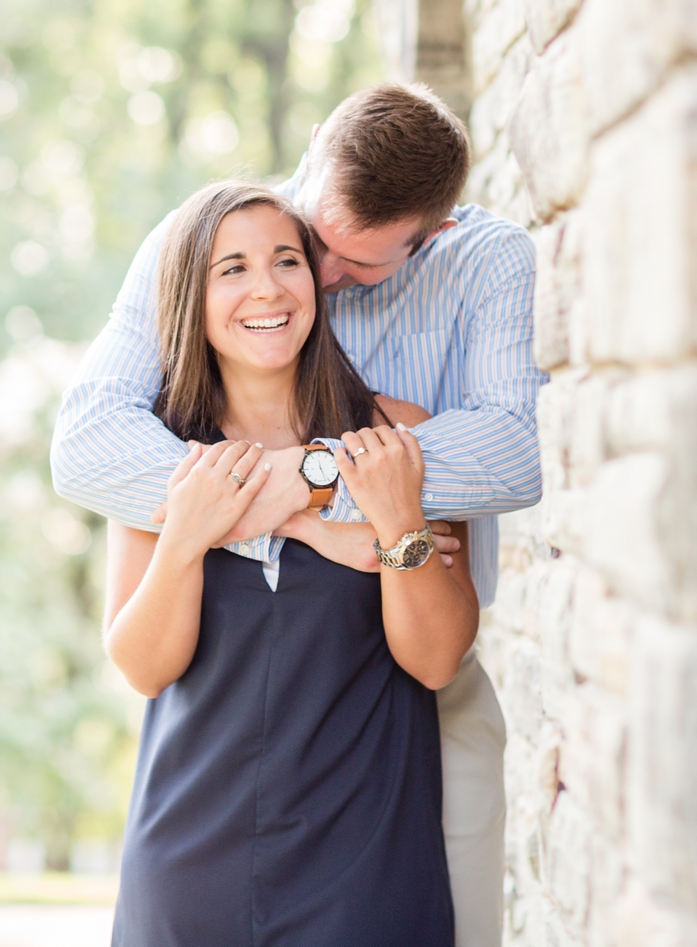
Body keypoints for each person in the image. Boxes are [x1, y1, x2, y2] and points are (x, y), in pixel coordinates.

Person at [52, 83, 542, 946]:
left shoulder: (417, 413)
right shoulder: (166, 447)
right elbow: (136, 641)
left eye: (345, 264)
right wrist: (303, 511)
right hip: (199, 814)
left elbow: (505, 460)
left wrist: (362, 501)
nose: (309, 276)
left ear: (433, 235)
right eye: (246, 265)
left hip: (385, 764)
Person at [106, 181, 476, 944]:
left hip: (366, 870)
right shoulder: (156, 455)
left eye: (286, 261)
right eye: (231, 269)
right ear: (190, 299)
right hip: (187, 868)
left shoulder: (400, 437)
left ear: (317, 280)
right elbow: (145, 668)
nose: (267, 288)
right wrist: (187, 536)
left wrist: (395, 520)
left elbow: (438, 659)